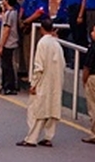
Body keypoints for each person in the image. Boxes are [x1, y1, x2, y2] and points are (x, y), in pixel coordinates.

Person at [17, 17, 63, 147]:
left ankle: (31, 138)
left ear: (42, 29)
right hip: (56, 80)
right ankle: (48, 136)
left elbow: (39, 67)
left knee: (37, 110)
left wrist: (34, 83)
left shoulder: (42, 43)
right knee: (52, 109)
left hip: (43, 81)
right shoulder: (57, 44)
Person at [0, 0, 20, 95]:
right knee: (8, 64)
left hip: (8, 43)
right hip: (12, 42)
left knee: (6, 65)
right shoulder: (14, 12)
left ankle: (8, 85)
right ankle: (7, 85)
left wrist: (1, 45)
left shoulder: (9, 14)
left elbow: (7, 30)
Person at [82, 24, 95, 145]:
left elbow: (87, 66)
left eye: (94, 31)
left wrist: (84, 79)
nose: (92, 33)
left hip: (94, 78)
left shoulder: (94, 47)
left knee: (94, 106)